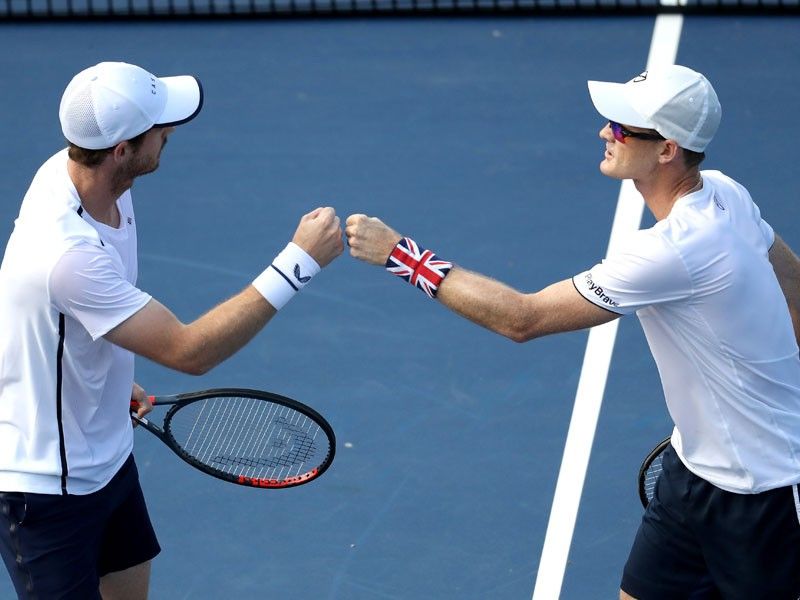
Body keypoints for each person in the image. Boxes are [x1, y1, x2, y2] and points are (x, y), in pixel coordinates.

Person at [345, 64, 800, 599]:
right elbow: (792, 280)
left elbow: (523, 318)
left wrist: (402, 255)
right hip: (691, 472)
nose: (606, 132)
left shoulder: (669, 251)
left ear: (667, 150)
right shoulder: (725, 192)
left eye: (625, 127)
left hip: (762, 497)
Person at [0, 61, 343, 599]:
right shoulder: (66, 254)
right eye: (160, 126)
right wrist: (299, 262)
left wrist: (103, 380)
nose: (170, 131)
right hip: (47, 491)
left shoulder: (96, 181)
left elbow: (62, 319)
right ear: (121, 149)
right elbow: (189, 351)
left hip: (108, 459)